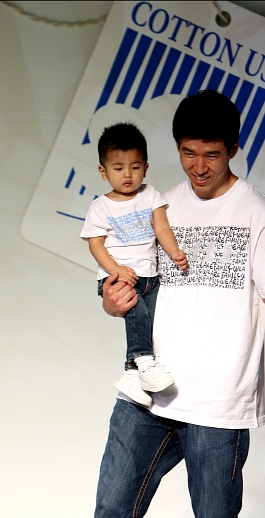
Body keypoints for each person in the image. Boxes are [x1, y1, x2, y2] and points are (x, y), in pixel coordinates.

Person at [47, 90, 265, 518]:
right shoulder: (157, 204)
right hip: (149, 392)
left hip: (221, 399)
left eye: (211, 154)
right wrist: (113, 301)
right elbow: (124, 284)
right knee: (110, 517)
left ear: (234, 149)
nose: (199, 167)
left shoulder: (256, 213)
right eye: (188, 153)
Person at [81, 122, 188, 406]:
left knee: (146, 323)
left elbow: (162, 228)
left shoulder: (150, 195)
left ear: (146, 167)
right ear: (103, 171)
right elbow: (95, 244)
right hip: (118, 278)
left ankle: (131, 373)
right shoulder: (100, 207)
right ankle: (145, 363)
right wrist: (116, 270)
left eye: (135, 167)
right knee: (138, 317)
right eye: (118, 168)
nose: (127, 174)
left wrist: (174, 251)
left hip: (150, 276)